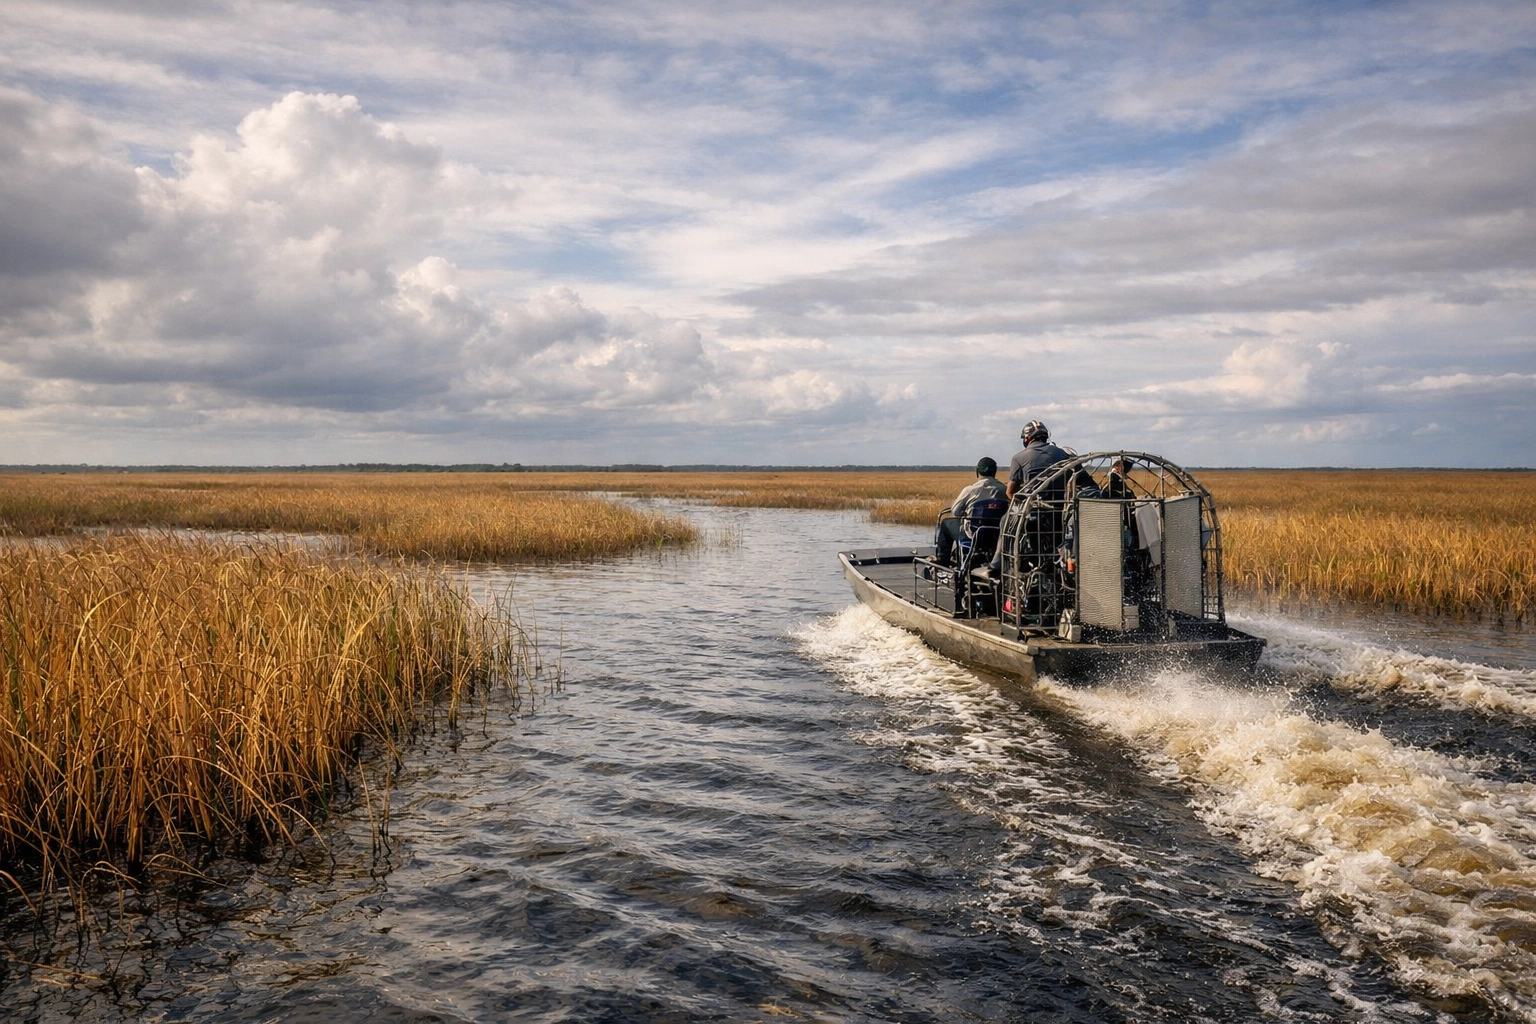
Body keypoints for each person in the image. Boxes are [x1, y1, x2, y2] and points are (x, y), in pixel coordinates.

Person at [933, 457, 1007, 566]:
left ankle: (943, 560)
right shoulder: (1004, 489)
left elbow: (955, 511)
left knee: (945, 523)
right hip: (997, 533)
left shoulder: (970, 490)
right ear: (995, 472)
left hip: (972, 534)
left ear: (977, 471)